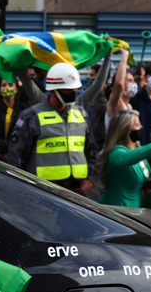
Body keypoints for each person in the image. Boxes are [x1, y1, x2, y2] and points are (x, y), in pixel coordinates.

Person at [8, 62, 96, 195]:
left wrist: (90, 180)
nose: (72, 93)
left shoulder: (81, 114)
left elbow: (91, 151)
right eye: (67, 90)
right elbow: (16, 159)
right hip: (42, 193)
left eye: (74, 89)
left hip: (76, 193)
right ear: (53, 90)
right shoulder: (31, 117)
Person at [98, 109, 151, 207]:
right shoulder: (115, 152)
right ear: (126, 129)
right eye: (137, 124)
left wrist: (145, 184)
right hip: (113, 211)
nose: (141, 127)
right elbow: (125, 158)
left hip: (134, 210)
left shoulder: (138, 149)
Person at [105, 48, 134, 129]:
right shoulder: (115, 102)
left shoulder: (129, 106)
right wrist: (125, 55)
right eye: (127, 80)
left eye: (132, 81)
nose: (131, 83)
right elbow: (119, 84)